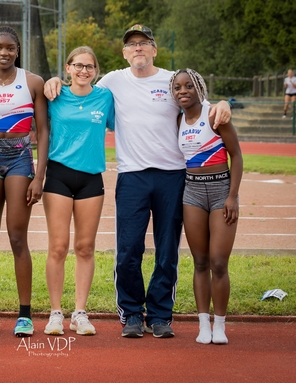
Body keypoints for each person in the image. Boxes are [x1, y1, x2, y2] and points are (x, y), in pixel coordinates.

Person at [44, 24, 231, 339]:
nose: (138, 48)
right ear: (124, 53)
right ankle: (131, 313)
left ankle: (159, 315)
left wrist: (223, 104)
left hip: (172, 176)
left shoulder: (172, 81)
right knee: (129, 248)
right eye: (132, 45)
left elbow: (203, 108)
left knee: (167, 249)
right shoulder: (113, 82)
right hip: (132, 176)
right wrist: (53, 81)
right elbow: (80, 87)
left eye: (144, 43)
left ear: (154, 49)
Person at [0, 25, 48, 337]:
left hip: (19, 158)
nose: (4, 53)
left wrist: (39, 175)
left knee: (17, 238)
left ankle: (24, 314)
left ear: (18, 51)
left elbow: (43, 132)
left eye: (10, 48)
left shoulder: (32, 82)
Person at [42, 46, 114, 336]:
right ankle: (56, 313)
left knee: (85, 247)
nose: (84, 71)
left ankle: (80, 313)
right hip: (59, 175)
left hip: (91, 179)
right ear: (68, 68)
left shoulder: (105, 97)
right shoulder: (54, 96)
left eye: (90, 67)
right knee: (58, 246)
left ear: (96, 71)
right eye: (79, 65)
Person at [170, 69, 243, 344]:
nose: (183, 91)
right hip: (192, 192)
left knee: (218, 262)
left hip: (220, 189)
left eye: (189, 86)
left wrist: (232, 196)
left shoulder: (214, 115)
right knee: (200, 262)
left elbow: (236, 155)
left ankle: (220, 325)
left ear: (199, 87)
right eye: (177, 87)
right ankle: (203, 325)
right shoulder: (178, 120)